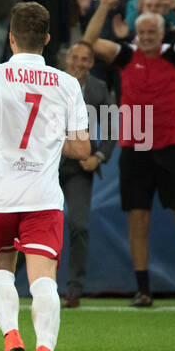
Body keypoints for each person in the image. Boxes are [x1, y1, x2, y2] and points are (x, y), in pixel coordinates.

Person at [0, 2, 90, 351]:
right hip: (42, 197)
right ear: (48, 40)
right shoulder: (67, 84)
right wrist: (52, 143)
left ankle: (12, 337)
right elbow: (82, 148)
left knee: (0, 268)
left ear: (12, 38)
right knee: (44, 280)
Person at [82, 0, 175, 306]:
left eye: (152, 31)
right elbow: (90, 42)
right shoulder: (127, 56)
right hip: (136, 145)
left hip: (171, 145)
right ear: (136, 33)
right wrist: (104, 7)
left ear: (162, 33)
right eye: (142, 31)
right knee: (138, 219)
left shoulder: (174, 54)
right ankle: (143, 288)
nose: (147, 36)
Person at [59, 40, 117, 307]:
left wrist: (98, 157)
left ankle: (74, 289)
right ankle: (10, 278)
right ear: (66, 58)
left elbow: (110, 129)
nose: (79, 64)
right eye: (75, 57)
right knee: (30, 221)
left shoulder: (98, 89)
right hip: (45, 165)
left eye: (85, 59)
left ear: (92, 63)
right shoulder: (50, 81)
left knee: (79, 224)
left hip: (78, 168)